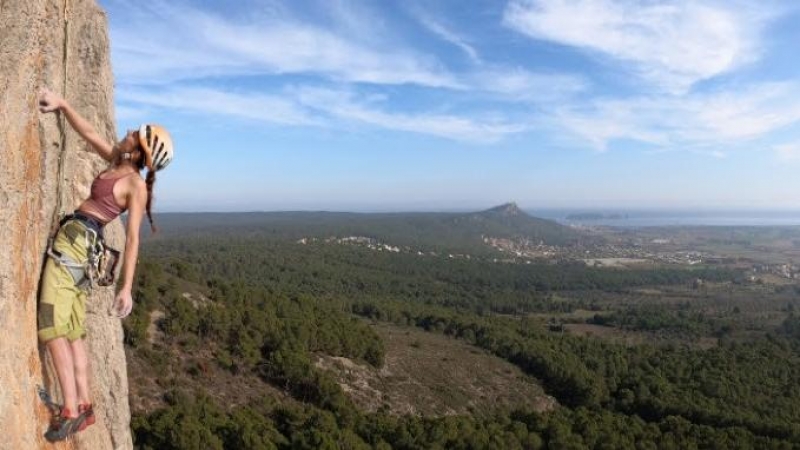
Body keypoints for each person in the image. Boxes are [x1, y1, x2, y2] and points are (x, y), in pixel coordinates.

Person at [37, 88, 174, 441]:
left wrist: (126, 288)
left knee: (51, 326)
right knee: (72, 331)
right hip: (82, 247)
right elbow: (89, 134)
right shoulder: (118, 161)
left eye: (135, 133)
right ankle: (83, 404)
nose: (128, 130)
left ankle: (69, 409)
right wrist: (64, 104)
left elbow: (133, 240)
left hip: (77, 245)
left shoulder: (134, 185)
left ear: (139, 149)